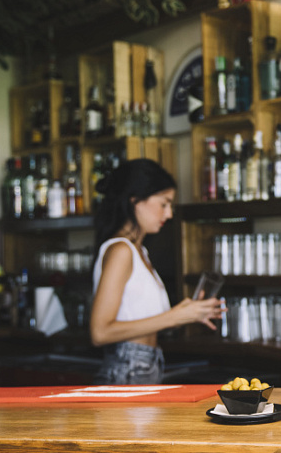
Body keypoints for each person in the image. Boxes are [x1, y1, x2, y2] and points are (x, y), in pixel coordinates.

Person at [90, 158, 222, 384]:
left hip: (145, 364)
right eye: (164, 203)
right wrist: (174, 317)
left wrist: (189, 312)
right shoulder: (121, 250)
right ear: (136, 201)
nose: (169, 214)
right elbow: (100, 333)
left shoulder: (139, 251)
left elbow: (145, 319)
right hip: (127, 367)